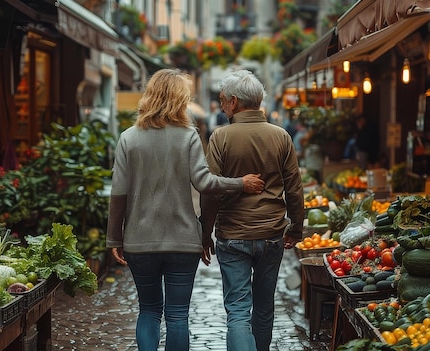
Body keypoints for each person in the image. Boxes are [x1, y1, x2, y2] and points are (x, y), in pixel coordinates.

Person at [106, 69, 265, 351]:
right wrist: (240, 183)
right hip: (182, 241)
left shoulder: (128, 138)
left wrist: (114, 239)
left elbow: (119, 193)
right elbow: (204, 182)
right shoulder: (188, 136)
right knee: (178, 315)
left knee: (149, 311)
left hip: (140, 241)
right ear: (180, 99)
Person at [199, 69, 305, 351]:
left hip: (233, 235)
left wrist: (205, 232)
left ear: (234, 102)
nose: (221, 106)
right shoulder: (281, 136)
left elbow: (211, 191)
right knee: (264, 307)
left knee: (237, 310)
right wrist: (296, 227)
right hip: (272, 234)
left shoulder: (220, 137)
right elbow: (294, 187)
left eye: (223, 100)